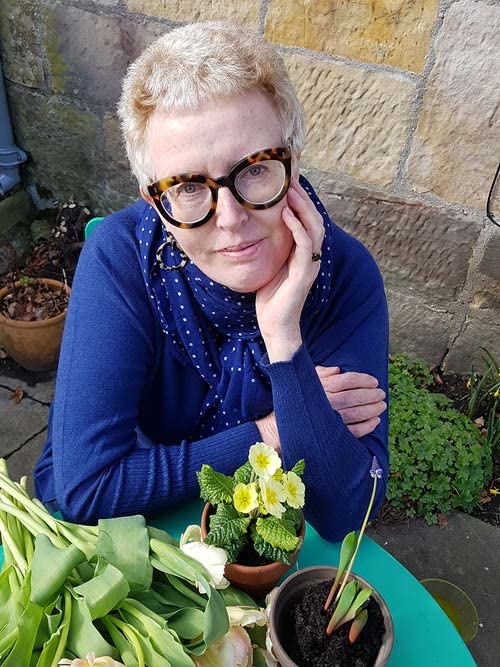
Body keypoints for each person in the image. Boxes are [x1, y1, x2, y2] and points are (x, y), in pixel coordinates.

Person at [34, 22, 389, 541]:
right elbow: (86, 487)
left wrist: (284, 340)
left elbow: (345, 515)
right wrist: (274, 431)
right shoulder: (123, 258)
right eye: (187, 186)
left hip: (259, 550)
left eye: (254, 170)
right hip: (134, 543)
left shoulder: (344, 276)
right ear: (156, 201)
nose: (229, 218)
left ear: (292, 160)